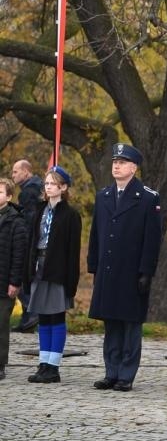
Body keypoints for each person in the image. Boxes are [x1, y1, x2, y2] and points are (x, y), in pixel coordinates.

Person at [87, 143, 163, 392]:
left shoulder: (148, 198)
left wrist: (146, 272)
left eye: (122, 162)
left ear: (134, 168)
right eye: (114, 162)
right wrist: (93, 266)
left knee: (130, 325)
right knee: (111, 324)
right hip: (108, 270)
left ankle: (126, 375)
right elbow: (96, 234)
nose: (116, 166)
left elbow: (152, 239)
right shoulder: (103, 196)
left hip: (131, 272)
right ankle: (111, 372)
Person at [25, 165, 82, 383]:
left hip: (58, 270)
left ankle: (53, 366)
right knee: (43, 316)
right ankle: (43, 362)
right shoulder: (40, 210)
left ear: (63, 187)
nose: (48, 187)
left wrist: (71, 282)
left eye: (53, 184)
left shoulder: (70, 215)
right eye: (46, 183)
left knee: (56, 315)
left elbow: (73, 251)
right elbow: (32, 240)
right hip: (39, 266)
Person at [0, 177, 28, 379]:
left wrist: (14, 282)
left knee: (1, 324)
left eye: (0, 192)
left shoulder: (16, 221)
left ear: (9, 197)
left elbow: (19, 255)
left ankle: (0, 363)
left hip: (4, 281)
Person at [11, 158, 42, 330]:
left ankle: (32, 312)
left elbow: (29, 221)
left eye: (16, 171)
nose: (13, 175)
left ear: (26, 172)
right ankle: (26, 319)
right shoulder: (37, 188)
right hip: (37, 241)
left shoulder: (28, 192)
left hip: (30, 242)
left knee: (21, 277)